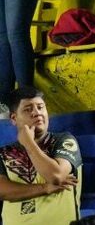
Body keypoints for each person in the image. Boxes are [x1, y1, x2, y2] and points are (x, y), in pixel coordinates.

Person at [0, 87, 80, 223]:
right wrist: (45, 188)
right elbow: (3, 191)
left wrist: (29, 144)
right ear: (14, 118)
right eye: (28, 109)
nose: (37, 113)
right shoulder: (4, 153)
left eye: (40, 107)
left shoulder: (63, 140)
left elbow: (56, 176)